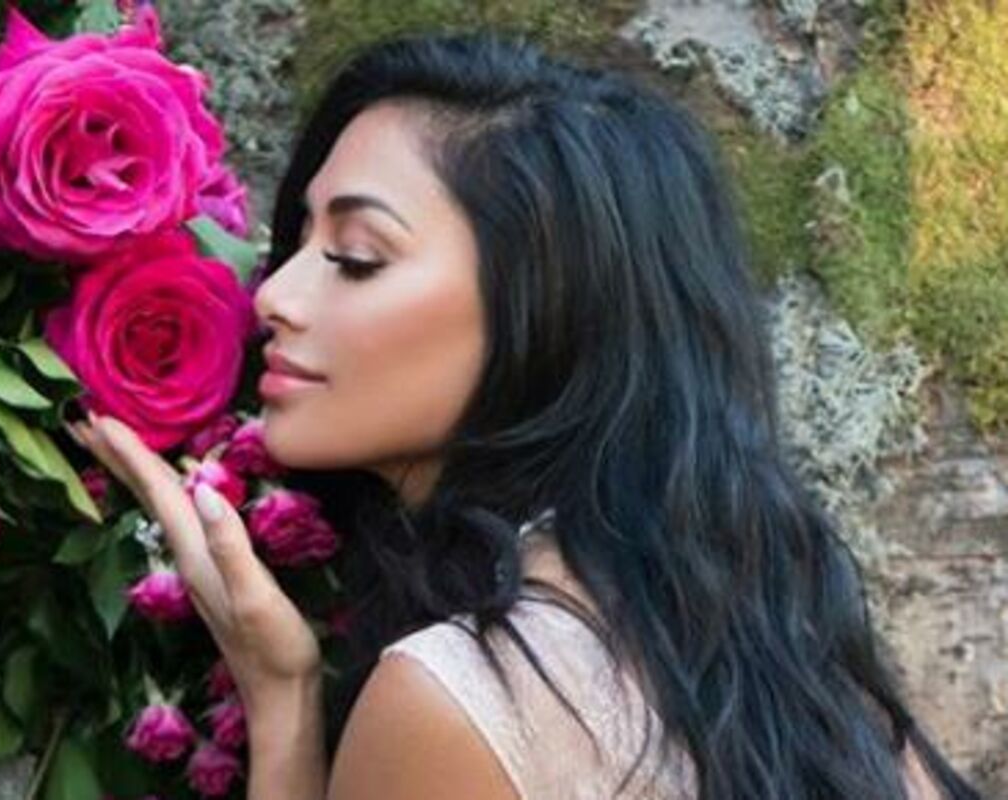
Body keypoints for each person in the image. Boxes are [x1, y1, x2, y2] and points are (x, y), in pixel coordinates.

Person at [67, 31, 984, 800]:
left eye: (356, 256)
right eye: (299, 240)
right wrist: (280, 686)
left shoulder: (462, 700)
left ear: (547, 309)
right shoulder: (801, 684)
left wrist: (284, 711)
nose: (273, 295)